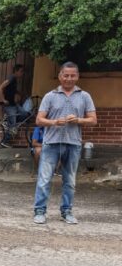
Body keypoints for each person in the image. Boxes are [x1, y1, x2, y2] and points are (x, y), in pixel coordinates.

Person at [33, 62, 96, 225]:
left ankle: (67, 211)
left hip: (73, 144)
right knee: (44, 178)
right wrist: (54, 122)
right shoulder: (50, 96)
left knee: (70, 180)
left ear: (77, 76)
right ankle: (39, 211)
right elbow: (39, 120)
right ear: (60, 76)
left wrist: (79, 120)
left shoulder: (85, 96)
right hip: (51, 143)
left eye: (72, 75)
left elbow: (93, 120)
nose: (69, 78)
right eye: (65, 75)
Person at [0, 64, 30, 140]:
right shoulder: (11, 78)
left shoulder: (14, 79)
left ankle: (8, 121)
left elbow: (12, 89)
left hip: (14, 104)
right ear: (16, 71)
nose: (22, 73)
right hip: (9, 105)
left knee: (25, 114)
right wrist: (3, 99)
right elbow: (1, 87)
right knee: (13, 125)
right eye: (21, 71)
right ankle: (5, 141)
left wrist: (20, 94)